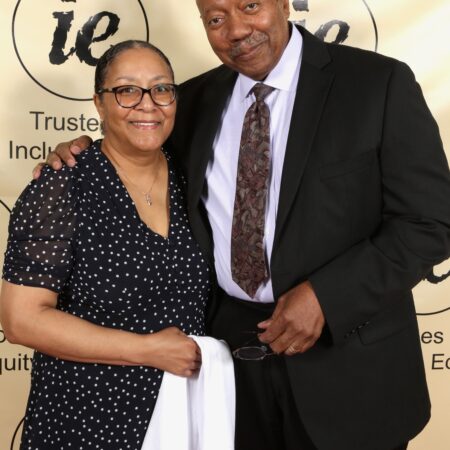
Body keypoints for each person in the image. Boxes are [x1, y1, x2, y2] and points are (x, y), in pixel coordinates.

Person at [36, 0, 450, 449]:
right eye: (216, 18)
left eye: (250, 5)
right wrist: (82, 153)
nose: (235, 30)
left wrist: (327, 298)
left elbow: (431, 221)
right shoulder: (191, 102)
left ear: (284, 4)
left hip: (351, 372)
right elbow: (135, 151)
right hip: (230, 373)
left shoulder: (377, 84)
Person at [0, 40, 211, 449]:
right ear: (99, 102)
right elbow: (20, 320)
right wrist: (148, 350)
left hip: (180, 418)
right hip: (85, 421)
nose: (147, 104)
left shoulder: (194, 176)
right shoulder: (63, 185)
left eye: (161, 89)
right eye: (127, 90)